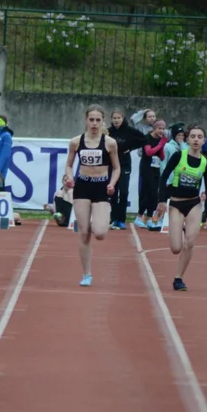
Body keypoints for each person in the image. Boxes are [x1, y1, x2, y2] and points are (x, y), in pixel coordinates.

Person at [63, 105, 121, 287]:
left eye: (98, 120)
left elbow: (117, 167)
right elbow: (69, 165)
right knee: (84, 232)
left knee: (100, 233)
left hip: (102, 187)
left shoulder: (110, 143)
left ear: (103, 121)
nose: (94, 123)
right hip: (82, 187)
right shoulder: (76, 141)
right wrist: (70, 178)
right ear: (86, 121)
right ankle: (86, 273)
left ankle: (98, 221)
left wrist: (112, 183)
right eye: (91, 120)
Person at [156, 125, 207, 292]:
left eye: (199, 137)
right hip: (176, 203)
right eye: (192, 136)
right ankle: (180, 228)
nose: (196, 139)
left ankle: (178, 278)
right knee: (175, 248)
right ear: (187, 139)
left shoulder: (206, 160)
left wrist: (206, 193)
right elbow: (164, 176)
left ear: (204, 141)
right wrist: (162, 201)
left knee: (190, 243)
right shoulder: (179, 156)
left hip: (193, 203)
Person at [108, 109, 144, 230]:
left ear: (123, 118)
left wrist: (132, 148)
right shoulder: (109, 131)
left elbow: (144, 139)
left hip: (124, 164)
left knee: (123, 192)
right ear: (111, 120)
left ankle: (121, 219)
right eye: (114, 118)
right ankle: (113, 218)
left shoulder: (129, 131)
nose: (117, 120)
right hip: (111, 165)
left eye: (119, 118)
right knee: (112, 192)